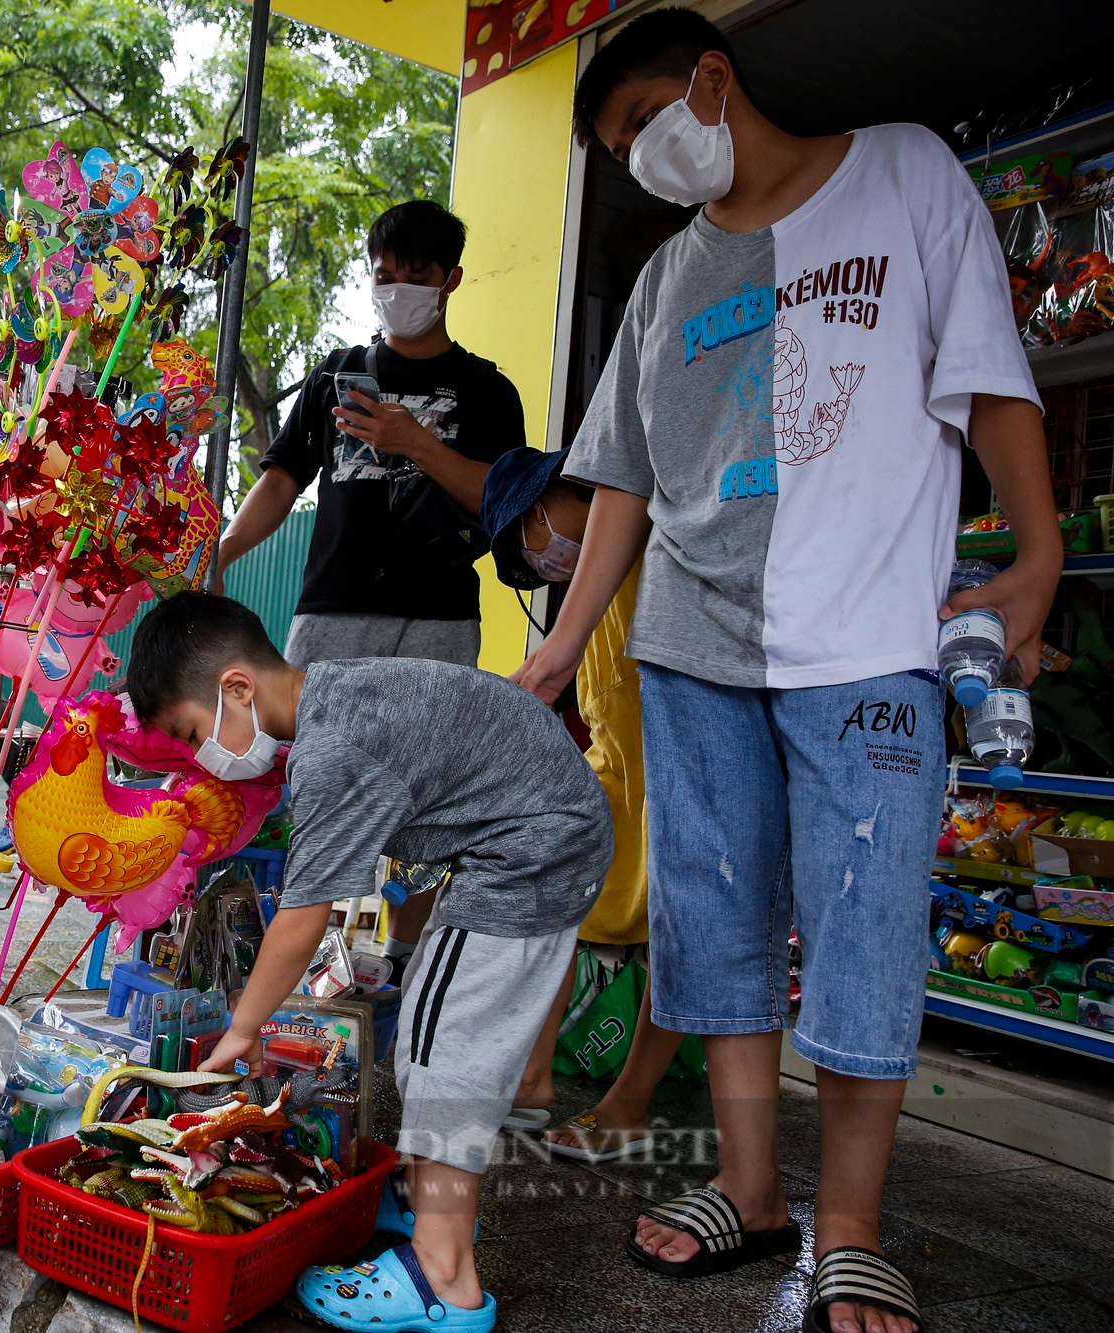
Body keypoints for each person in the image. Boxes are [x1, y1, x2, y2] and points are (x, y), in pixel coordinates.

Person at [512, 11, 1062, 1333]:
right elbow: (624, 488)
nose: (644, 157)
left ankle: (854, 1226)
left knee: (867, 924)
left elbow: (988, 376)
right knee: (716, 922)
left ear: (713, 79)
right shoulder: (664, 283)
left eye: (648, 123)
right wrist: (563, 639)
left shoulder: (904, 171)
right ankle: (753, 1190)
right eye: (619, 149)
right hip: (693, 653)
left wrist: (1038, 552)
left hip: (869, 640)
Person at [126, 592, 611, 1333]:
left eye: (193, 733)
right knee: (425, 1034)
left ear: (236, 688)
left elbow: (301, 918)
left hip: (531, 851)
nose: (201, 755)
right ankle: (427, 1199)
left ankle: (444, 1274)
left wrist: (242, 1029)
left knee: (446, 1051)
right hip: (534, 835)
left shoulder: (331, 748)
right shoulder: (337, 694)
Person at [215, 199, 528, 985]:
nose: (396, 291)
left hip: (438, 616)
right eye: (384, 276)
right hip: (331, 611)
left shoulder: (487, 391)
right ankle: (280, 947)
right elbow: (282, 480)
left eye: (415, 277)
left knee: (424, 791)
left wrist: (412, 440)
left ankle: (402, 955)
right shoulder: (335, 376)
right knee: (308, 776)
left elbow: (503, 500)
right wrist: (222, 553)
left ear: (451, 279)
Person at [479, 446, 686, 1162]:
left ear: (542, 507)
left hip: (683, 760)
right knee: (549, 896)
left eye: (527, 547)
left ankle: (628, 1102)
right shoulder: (590, 583)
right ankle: (530, 1077)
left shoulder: (657, 530)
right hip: (617, 771)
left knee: (681, 931)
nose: (542, 565)